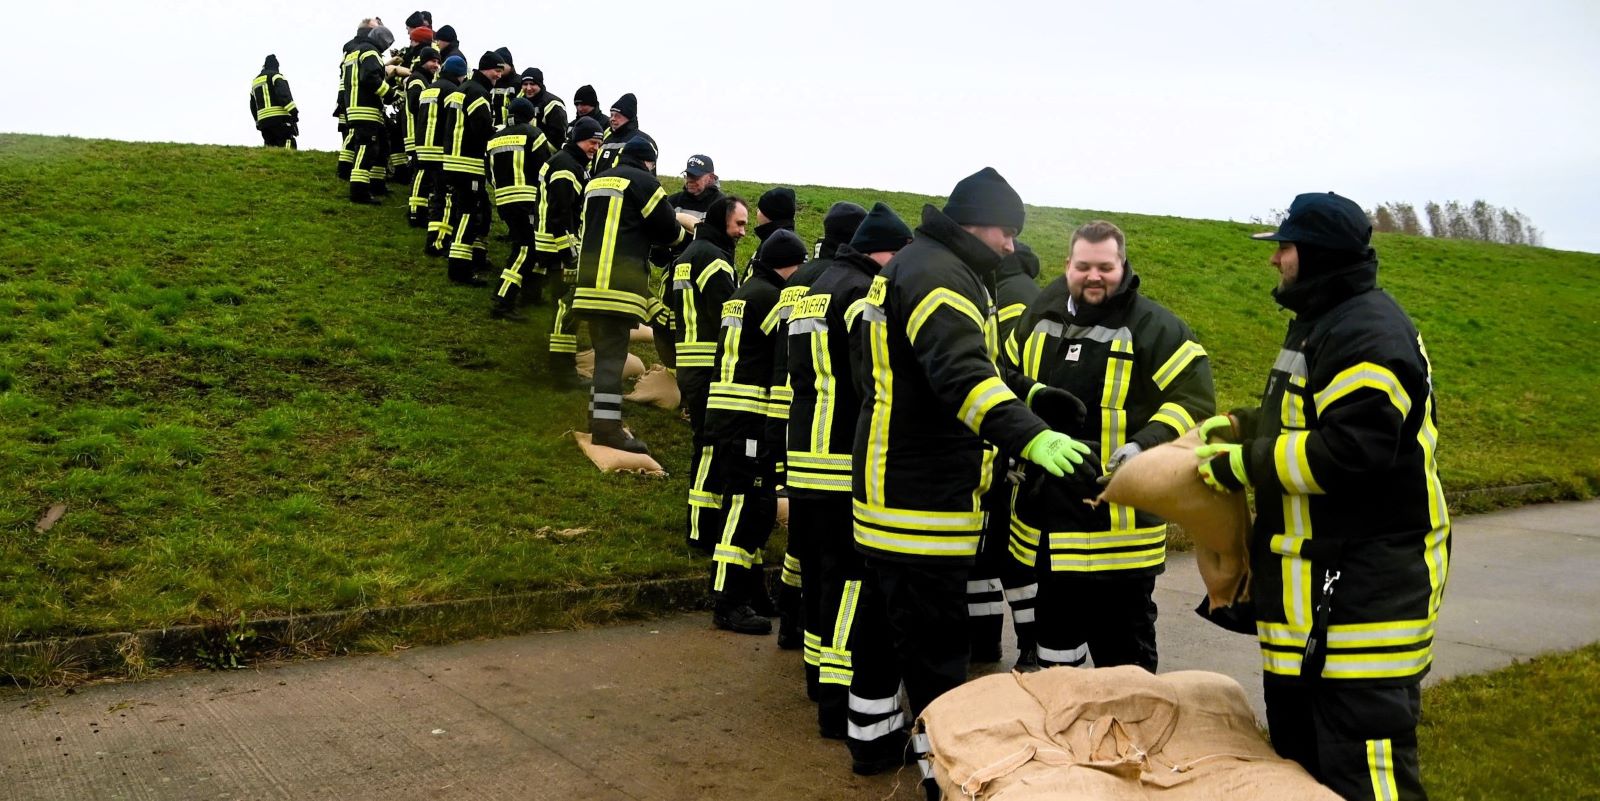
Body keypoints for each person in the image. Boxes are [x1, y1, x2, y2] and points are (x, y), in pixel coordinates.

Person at [1195, 191, 1449, 801]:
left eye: (1283, 247)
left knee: (1365, 782)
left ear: (1314, 254)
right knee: (1301, 779)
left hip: (1362, 615)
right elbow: (1308, 420)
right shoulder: (1325, 322)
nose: (1274, 260)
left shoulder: (1366, 331)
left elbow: (1353, 452)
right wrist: (1243, 422)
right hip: (1317, 612)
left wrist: (1242, 464)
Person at [852, 167, 1098, 725]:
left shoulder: (926, 264)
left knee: (882, 630)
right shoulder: (942, 277)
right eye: (1005, 232)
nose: (1011, 245)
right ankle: (947, 765)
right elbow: (961, 378)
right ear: (974, 224)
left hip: (892, 482)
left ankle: (871, 741)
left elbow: (958, 364)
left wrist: (1033, 393)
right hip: (922, 497)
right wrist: (1032, 436)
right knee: (936, 646)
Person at [1007, 221, 1216, 673]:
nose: (1094, 276)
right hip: (1049, 522)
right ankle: (1064, 730)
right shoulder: (1039, 314)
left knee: (1125, 655)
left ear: (1123, 265)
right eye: (1084, 266)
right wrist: (1032, 395)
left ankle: (1133, 737)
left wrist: (1144, 445)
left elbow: (1195, 401)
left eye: (1106, 266)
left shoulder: (1155, 326)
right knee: (1054, 648)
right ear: (1068, 266)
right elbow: (1002, 373)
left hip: (1120, 531)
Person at [784, 202, 913, 771]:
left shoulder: (812, 286)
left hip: (805, 452)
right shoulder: (863, 293)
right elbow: (872, 379)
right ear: (884, 250)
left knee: (815, 571)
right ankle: (837, 706)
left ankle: (817, 680)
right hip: (843, 457)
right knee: (852, 584)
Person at [769, 202, 865, 664]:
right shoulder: (855, 286)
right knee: (839, 566)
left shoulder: (804, 281)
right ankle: (828, 666)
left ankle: (793, 628)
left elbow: (777, 350)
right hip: (840, 446)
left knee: (803, 553)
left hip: (799, 430)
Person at [705, 229, 809, 635]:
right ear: (792, 265)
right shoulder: (772, 299)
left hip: (728, 414)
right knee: (745, 508)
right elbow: (783, 359)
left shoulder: (746, 292)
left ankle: (750, 592)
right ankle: (727, 602)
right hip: (749, 417)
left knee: (756, 506)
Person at [571, 136, 686, 453]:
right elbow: (666, 228)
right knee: (611, 359)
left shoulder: (596, 181)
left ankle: (598, 420)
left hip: (589, 285)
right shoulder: (642, 181)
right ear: (649, 161)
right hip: (617, 286)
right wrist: (685, 238)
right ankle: (607, 429)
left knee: (605, 354)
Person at [969, 240, 1044, 666]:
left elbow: (1009, 376)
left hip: (1010, 445)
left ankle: (1023, 647)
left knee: (1009, 556)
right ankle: (991, 644)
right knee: (992, 553)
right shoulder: (1026, 294)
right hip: (1014, 443)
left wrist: (1015, 451)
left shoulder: (1009, 299)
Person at [671, 196, 748, 558]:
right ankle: (702, 530)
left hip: (688, 363)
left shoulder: (686, 256)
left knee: (704, 444)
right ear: (722, 222)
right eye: (739, 224)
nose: (743, 232)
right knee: (709, 447)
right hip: (708, 365)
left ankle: (701, 525)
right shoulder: (714, 260)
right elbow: (728, 314)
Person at [541, 117, 604, 388]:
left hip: (556, 246)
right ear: (578, 138)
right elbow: (560, 215)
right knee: (565, 308)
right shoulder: (568, 165)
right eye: (592, 141)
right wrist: (570, 254)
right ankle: (561, 371)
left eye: (600, 143)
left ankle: (564, 367)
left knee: (564, 308)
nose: (596, 148)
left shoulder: (573, 163)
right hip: (557, 248)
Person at [438, 51, 503, 284]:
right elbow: (482, 128)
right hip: (468, 164)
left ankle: (465, 262)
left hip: (453, 160)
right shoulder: (478, 92)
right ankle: (460, 270)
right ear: (486, 69)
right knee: (468, 214)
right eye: (497, 70)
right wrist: (499, 133)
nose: (499, 75)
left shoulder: (461, 91)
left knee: (464, 211)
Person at [487, 97, 556, 318]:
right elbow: (543, 169)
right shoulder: (535, 135)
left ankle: (529, 294)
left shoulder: (494, 139)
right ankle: (503, 299)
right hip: (527, 201)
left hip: (504, 200)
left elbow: (489, 172)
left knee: (524, 246)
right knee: (526, 249)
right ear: (531, 116)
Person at [339, 26, 395, 203]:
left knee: (382, 147)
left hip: (357, 107)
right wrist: (391, 94)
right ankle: (359, 192)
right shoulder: (370, 52)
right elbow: (371, 78)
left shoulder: (355, 51)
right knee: (366, 149)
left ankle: (377, 185)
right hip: (366, 109)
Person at [420, 55, 464, 250]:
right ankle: (438, 241)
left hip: (423, 149)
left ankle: (433, 233)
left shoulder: (429, 88)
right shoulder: (452, 91)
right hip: (441, 151)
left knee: (434, 193)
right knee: (445, 196)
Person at [403, 47, 441, 227]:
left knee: (423, 173)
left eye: (438, 61)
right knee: (421, 172)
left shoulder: (424, 79)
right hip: (416, 133)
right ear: (423, 61)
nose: (436, 65)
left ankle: (419, 211)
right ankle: (415, 212)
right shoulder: (418, 79)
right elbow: (414, 105)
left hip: (420, 133)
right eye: (433, 61)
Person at [594, 93, 656, 174]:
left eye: (617, 116)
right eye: (611, 115)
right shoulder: (605, 138)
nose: (612, 119)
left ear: (628, 117)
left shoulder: (644, 141)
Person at [250, 55, 299, 148]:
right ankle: (287, 160)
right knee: (287, 141)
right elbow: (284, 95)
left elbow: (253, 105)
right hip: (280, 119)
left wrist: (257, 121)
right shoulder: (276, 76)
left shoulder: (255, 81)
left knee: (270, 146)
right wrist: (294, 112)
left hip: (263, 122)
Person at [517, 68, 568, 149]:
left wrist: (539, 153)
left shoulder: (553, 104)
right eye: (525, 84)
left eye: (532, 84)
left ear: (540, 84)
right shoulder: (519, 102)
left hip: (546, 155)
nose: (528, 88)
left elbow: (557, 139)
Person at [667, 155, 724, 223]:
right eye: (688, 175)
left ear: (710, 178)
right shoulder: (672, 201)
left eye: (695, 176)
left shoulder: (722, 205)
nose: (690, 180)